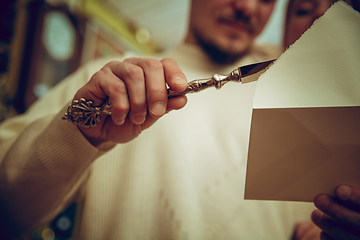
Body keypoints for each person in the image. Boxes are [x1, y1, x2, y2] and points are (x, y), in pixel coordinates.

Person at [0, 0, 358, 239]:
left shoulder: (306, 108)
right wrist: (78, 133)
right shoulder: (105, 85)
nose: (248, 7)